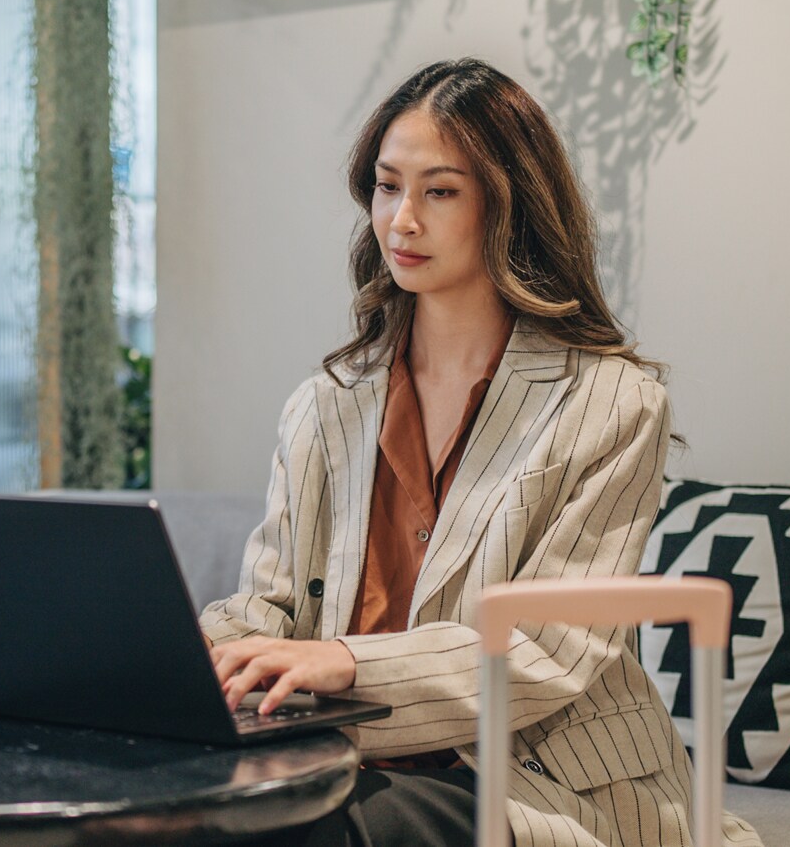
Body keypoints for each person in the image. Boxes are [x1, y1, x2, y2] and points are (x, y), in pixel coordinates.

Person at [200, 59, 761, 847]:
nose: (401, 221)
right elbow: (271, 605)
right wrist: (196, 651)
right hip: (341, 759)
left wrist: (346, 663)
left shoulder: (612, 404)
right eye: (387, 187)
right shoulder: (324, 404)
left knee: (303, 830)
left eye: (440, 192)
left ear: (508, 205)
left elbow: (547, 652)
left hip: (529, 780)